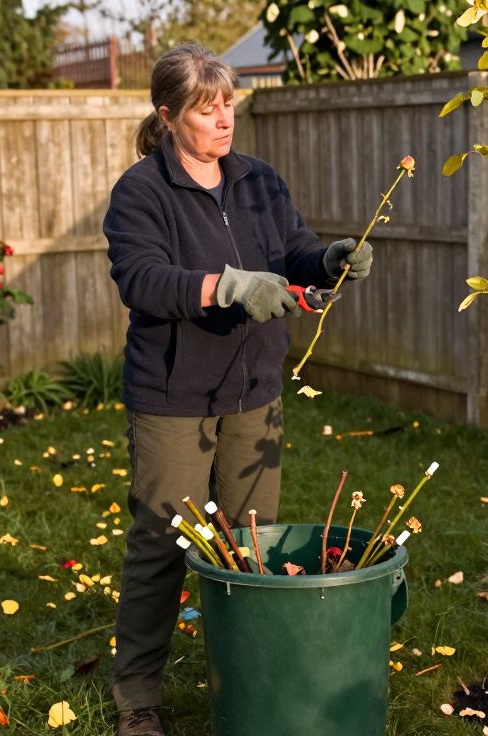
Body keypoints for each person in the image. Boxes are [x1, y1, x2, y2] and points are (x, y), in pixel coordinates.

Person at [101, 44, 373, 736]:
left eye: (229, 103)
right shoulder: (142, 191)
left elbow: (293, 252)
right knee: (165, 543)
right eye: (207, 107)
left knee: (250, 547)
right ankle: (137, 695)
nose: (225, 118)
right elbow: (143, 280)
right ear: (168, 116)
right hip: (173, 395)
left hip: (255, 389)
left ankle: (250, 675)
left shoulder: (258, 180)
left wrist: (331, 258)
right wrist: (226, 284)